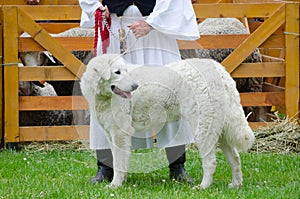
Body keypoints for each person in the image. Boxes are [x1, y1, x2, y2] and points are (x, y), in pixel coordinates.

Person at [79, 0, 200, 184]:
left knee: (168, 93)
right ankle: (105, 167)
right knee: (106, 100)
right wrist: (96, 7)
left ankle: (177, 166)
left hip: (156, 30)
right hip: (115, 26)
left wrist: (152, 23)